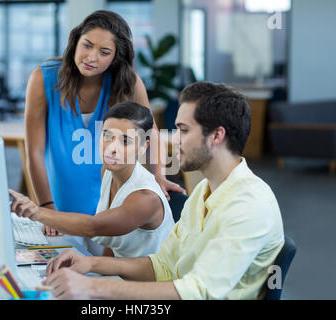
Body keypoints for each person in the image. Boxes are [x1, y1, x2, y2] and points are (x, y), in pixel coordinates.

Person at [40, 81, 285, 300]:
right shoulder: (203, 191)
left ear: (216, 136)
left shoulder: (250, 204)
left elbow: (199, 291)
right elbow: (163, 265)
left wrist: (94, 287)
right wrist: (90, 263)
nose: (174, 139)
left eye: (184, 130)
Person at [24, 10, 185, 242]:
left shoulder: (129, 83)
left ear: (115, 57)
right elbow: (34, 153)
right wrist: (47, 208)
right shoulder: (43, 80)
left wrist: (158, 175)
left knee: (106, 269)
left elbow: (152, 132)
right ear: (75, 42)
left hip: (113, 210)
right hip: (60, 209)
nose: (91, 57)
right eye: (87, 45)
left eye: (104, 52)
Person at [10, 102, 175, 258]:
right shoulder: (108, 172)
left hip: (150, 284)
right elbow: (113, 239)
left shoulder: (145, 198)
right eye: (107, 136)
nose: (112, 149)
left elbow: (94, 227)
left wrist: (37, 212)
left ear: (143, 147)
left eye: (125, 141)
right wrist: (101, 275)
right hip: (121, 275)